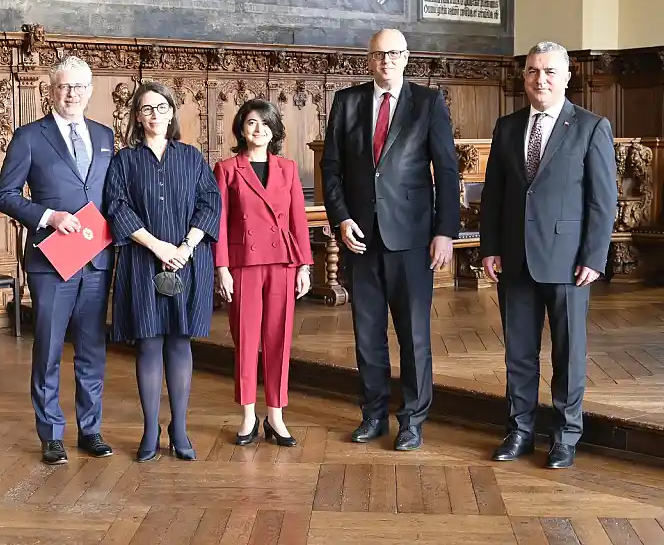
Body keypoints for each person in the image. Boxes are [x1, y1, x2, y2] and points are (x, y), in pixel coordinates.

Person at [320, 28, 459, 451]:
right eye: (379, 55)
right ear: (369, 59)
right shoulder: (347, 102)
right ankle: (374, 414)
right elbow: (331, 169)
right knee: (367, 334)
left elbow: (447, 172)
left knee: (414, 336)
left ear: (407, 56)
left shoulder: (429, 103)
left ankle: (413, 420)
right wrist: (341, 219)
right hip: (360, 238)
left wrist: (444, 232)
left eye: (395, 54)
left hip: (414, 239)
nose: (387, 61)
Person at [480, 41, 616, 469]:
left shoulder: (591, 127)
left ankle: (565, 434)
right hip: (515, 259)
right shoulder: (507, 126)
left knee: (567, 353)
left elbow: (602, 200)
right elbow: (495, 196)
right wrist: (490, 249)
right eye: (533, 71)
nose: (541, 79)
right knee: (518, 353)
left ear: (567, 76)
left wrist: (594, 256)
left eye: (550, 72)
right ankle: (520, 429)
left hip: (569, 261)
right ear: (524, 77)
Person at [0, 56, 114, 465]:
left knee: (92, 350)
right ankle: (51, 433)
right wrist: (48, 216)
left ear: (90, 91)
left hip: (96, 259)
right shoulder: (29, 137)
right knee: (47, 348)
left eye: (79, 87)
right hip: (51, 262)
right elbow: (5, 195)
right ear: (51, 91)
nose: (72, 94)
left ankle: (91, 430)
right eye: (64, 87)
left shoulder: (105, 136)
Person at [103, 80, 221, 463]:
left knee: (180, 341)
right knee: (149, 342)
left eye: (162, 107)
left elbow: (210, 203)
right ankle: (151, 427)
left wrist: (184, 248)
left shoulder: (191, 157)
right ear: (137, 117)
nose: (155, 115)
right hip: (142, 260)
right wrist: (157, 246)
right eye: (147, 109)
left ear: (172, 112)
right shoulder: (123, 161)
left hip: (187, 262)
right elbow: (117, 207)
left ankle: (180, 428)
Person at [213, 99, 312, 447]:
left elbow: (299, 218)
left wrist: (304, 265)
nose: (258, 129)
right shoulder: (226, 169)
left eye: (265, 123)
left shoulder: (287, 168)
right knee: (245, 341)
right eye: (252, 122)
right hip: (243, 264)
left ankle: (276, 415)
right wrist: (221, 267)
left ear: (275, 130)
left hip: (283, 262)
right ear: (241, 128)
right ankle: (247, 415)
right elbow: (219, 223)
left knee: (278, 340)